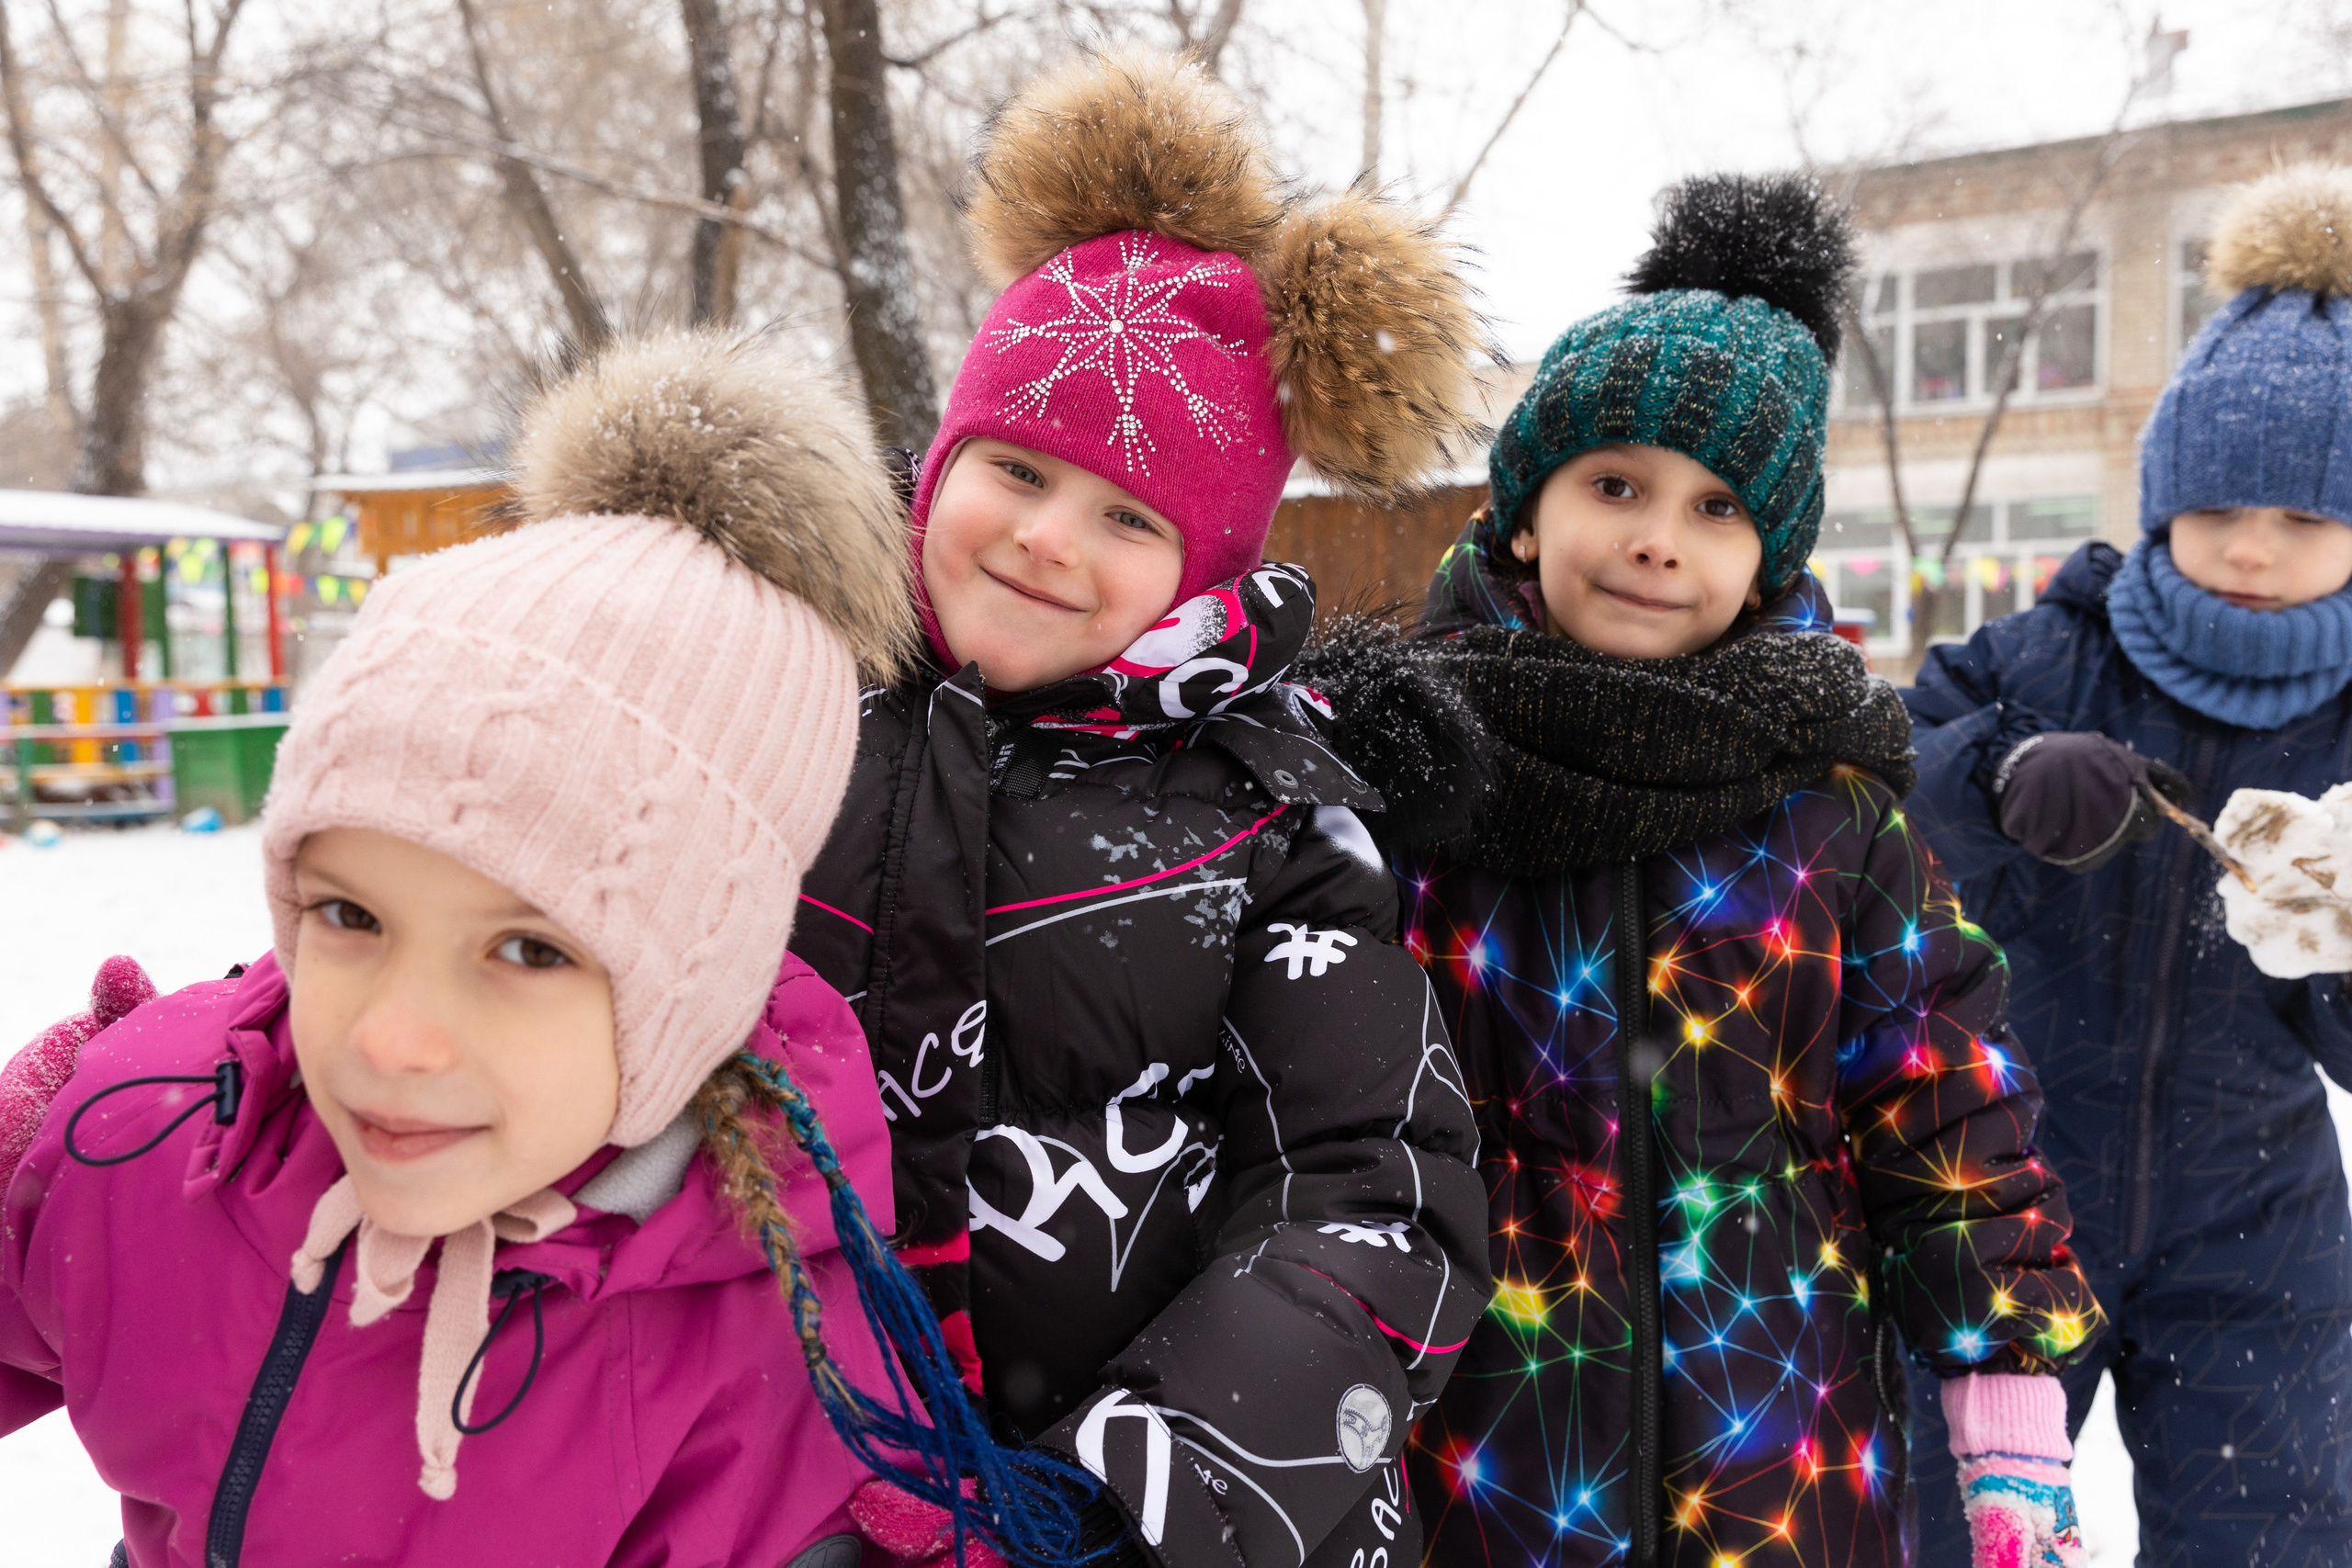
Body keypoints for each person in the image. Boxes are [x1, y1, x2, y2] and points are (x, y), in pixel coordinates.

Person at [0, 334, 1093, 1568]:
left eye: (528, 951)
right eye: (350, 916)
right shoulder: (146, 1142)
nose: (387, 1040)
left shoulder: (765, 1374)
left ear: (690, 994)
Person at [1295, 175, 2105, 1568]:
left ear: (1768, 553)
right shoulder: (1408, 765)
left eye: (1718, 506)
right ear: (1528, 510)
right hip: (1483, 1452)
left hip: (1782, 1457)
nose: (1660, 536)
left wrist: (2007, 1389)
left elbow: (1942, 1086)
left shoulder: (1832, 804)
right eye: (1616, 484)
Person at [786, 49, 1495, 1568]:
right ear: (939, 467)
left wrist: (1130, 1497)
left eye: (1127, 516)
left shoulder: (1278, 821)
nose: (1048, 539)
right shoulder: (791, 701)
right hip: (783, 1484)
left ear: (1201, 567)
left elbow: (1372, 1198)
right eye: (1017, 468)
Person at [1901, 164, 2352, 1567]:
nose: (2254, 548)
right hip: (2009, 1181)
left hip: (2258, 1211)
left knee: (2269, 1524)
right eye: (2221, 506)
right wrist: (1999, 779)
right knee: (1943, 1517)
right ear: (2163, 500)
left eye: (2304, 518)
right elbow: (1873, 797)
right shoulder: (2052, 655)